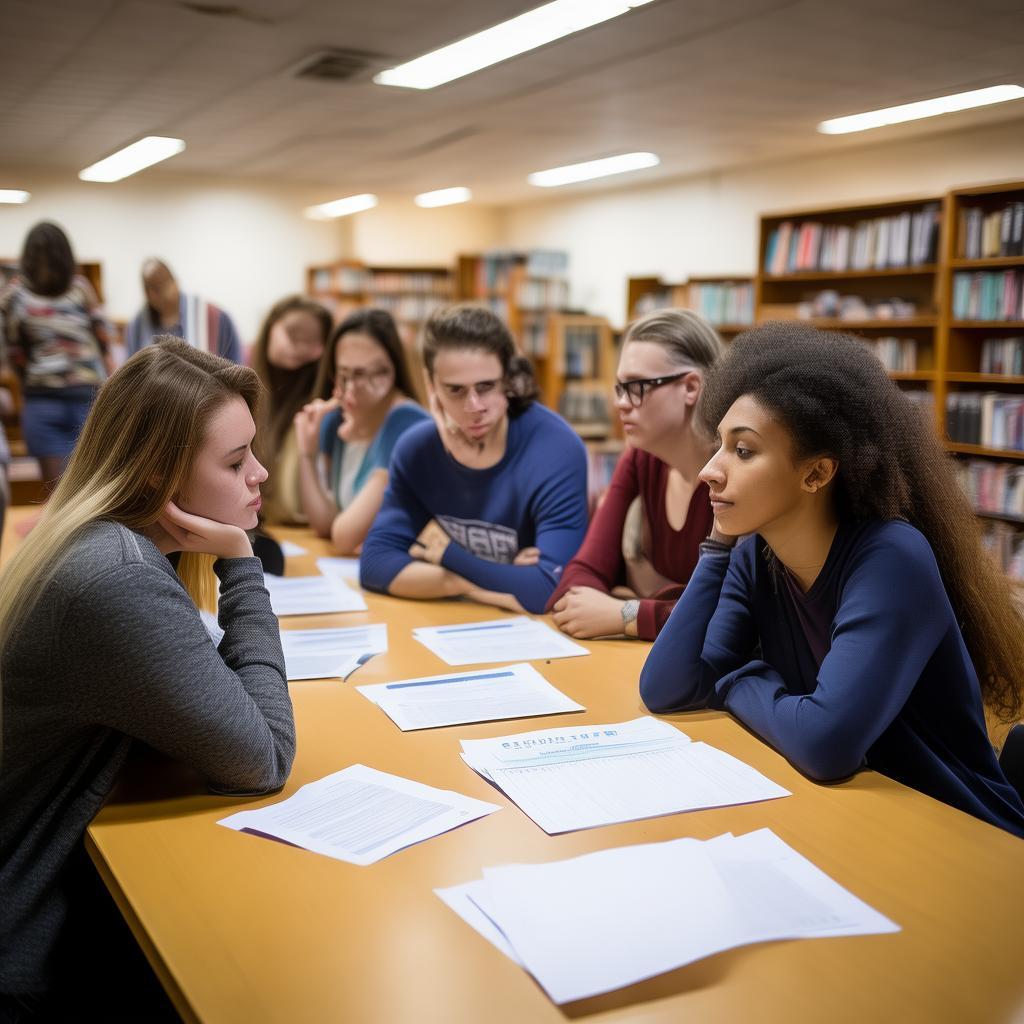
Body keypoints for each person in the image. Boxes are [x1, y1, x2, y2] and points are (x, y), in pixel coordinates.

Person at [0, 337, 296, 1015]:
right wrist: (241, 563)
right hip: (30, 937)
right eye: (234, 460)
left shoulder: (106, 543)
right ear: (161, 475)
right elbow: (263, 757)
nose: (260, 475)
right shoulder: (117, 578)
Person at [639, 322, 1024, 837]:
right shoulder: (755, 552)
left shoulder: (892, 558)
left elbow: (825, 745)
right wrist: (716, 548)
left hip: (954, 826)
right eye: (718, 446)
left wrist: (737, 679)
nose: (711, 470)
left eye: (744, 451)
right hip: (854, 819)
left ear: (816, 474)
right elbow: (665, 687)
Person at [359, 304, 588, 614]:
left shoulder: (556, 448)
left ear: (507, 379)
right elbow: (375, 566)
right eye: (455, 390)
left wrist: (444, 552)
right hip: (451, 625)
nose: (474, 405)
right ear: (431, 387)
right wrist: (469, 583)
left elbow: (548, 590)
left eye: (486, 387)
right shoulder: (416, 449)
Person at [549, 309, 722, 640]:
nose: (621, 404)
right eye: (619, 388)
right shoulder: (640, 458)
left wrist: (626, 611)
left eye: (637, 387)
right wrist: (661, 607)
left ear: (690, 387)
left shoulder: (734, 472)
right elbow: (579, 579)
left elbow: (731, 616)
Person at [294, 308, 429, 552]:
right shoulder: (335, 421)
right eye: (344, 374)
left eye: (364, 374)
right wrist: (307, 452)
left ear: (392, 372)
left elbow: (345, 536)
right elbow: (324, 525)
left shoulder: (407, 421)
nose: (352, 389)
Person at [0, 222, 112, 483]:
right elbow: (104, 343)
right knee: (75, 495)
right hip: (66, 399)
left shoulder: (21, 294)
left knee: (74, 495)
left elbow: (15, 355)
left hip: (68, 400)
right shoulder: (76, 288)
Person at [250, 295, 332, 524]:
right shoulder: (244, 381)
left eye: (313, 341)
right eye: (293, 334)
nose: (300, 346)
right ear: (271, 325)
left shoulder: (318, 401)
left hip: (292, 522)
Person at [123, 258, 242, 362]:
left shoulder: (213, 317)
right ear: (147, 294)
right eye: (154, 289)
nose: (163, 293)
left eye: (164, 283)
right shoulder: (137, 328)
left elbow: (236, 365)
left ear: (175, 281)